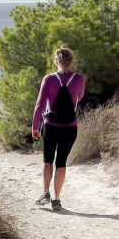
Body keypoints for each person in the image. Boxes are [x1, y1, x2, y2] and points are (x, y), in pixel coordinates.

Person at [32, 48, 85, 211]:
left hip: (50, 126)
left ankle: (45, 193)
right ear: (71, 61)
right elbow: (79, 98)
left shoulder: (48, 79)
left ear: (56, 61)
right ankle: (57, 199)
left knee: (47, 159)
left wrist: (35, 125)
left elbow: (40, 104)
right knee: (61, 162)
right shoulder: (79, 79)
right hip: (70, 127)